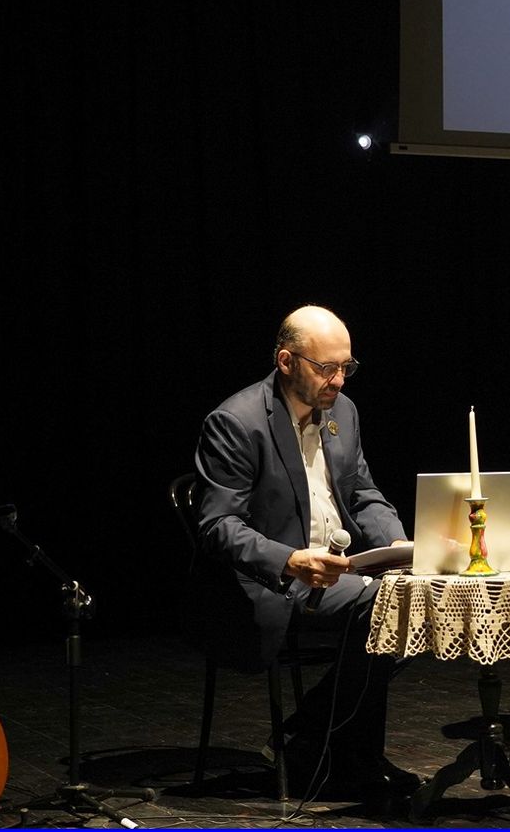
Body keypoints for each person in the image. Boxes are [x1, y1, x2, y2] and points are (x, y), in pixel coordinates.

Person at [193, 304, 419, 803]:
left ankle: (313, 738)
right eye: (326, 368)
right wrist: (290, 560)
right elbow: (218, 526)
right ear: (286, 361)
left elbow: (363, 494)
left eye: (346, 367)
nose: (338, 380)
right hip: (272, 582)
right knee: (383, 605)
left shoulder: (344, 412)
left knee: (421, 595)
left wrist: (398, 546)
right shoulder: (236, 422)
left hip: (338, 574)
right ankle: (348, 755)